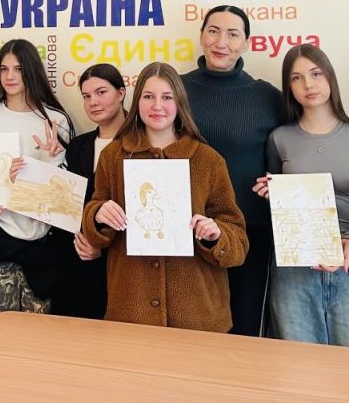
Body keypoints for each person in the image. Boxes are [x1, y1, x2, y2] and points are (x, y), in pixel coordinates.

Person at [83, 62, 248, 330]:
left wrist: (216, 234)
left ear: (179, 103)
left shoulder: (208, 160)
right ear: (137, 102)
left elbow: (238, 241)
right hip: (131, 312)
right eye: (148, 96)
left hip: (199, 316)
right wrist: (97, 214)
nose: (157, 106)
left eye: (167, 97)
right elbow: (94, 224)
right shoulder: (113, 157)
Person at [253, 44, 349, 348]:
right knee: (298, 368)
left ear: (330, 77)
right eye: (297, 78)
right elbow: (278, 203)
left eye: (316, 74)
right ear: (289, 87)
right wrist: (275, 195)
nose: (308, 85)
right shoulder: (279, 139)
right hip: (294, 269)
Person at [180, 4, 283, 335]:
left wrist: (282, 183)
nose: (221, 42)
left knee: (244, 330)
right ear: (201, 36)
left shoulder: (268, 97)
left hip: (249, 232)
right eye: (213, 31)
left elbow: (293, 150)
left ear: (246, 43)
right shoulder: (175, 90)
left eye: (233, 34)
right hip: (185, 228)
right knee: (189, 330)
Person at [0, 38, 73, 328]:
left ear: (31, 70)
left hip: (40, 251)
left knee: (36, 342)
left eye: (18, 68)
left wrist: (50, 164)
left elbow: (65, 200)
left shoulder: (55, 121)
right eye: (4, 68)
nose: (10, 76)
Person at [50, 63, 126, 319]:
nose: (93, 102)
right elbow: (67, 205)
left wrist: (102, 247)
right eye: (86, 96)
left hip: (121, 268)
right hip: (77, 268)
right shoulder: (77, 146)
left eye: (101, 92)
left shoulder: (143, 144)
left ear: (121, 93)